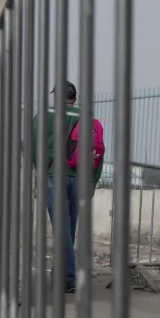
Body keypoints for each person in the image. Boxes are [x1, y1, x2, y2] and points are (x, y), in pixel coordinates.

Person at [30, 81, 105, 293]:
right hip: (80, 178)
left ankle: (69, 277)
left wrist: (42, 170)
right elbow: (99, 151)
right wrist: (92, 181)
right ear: (75, 97)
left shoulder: (46, 115)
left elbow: (35, 146)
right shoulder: (89, 118)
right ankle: (61, 276)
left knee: (61, 229)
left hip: (55, 175)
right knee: (68, 230)